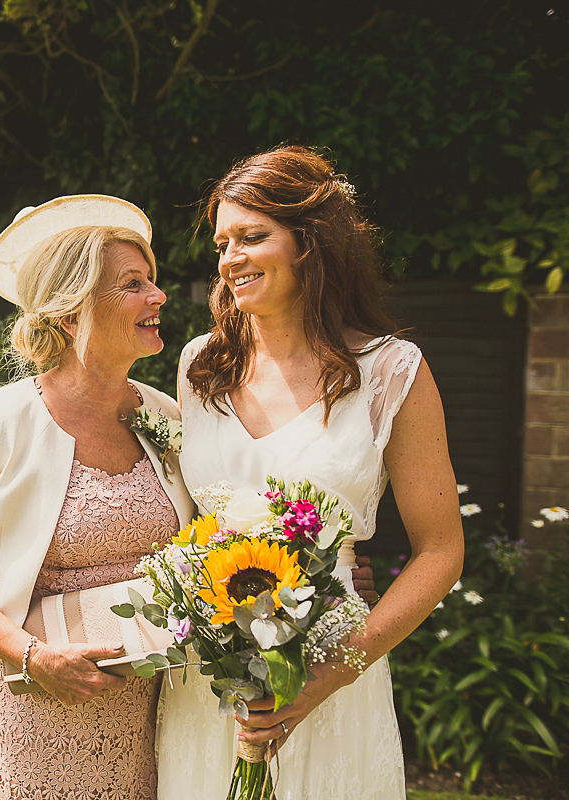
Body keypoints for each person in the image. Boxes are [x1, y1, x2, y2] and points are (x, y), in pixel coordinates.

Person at [155, 145, 464, 799]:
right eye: (221, 243)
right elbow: (182, 527)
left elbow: (441, 551)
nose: (230, 258)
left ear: (310, 241)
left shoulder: (392, 372)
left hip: (331, 666)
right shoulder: (198, 367)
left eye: (251, 236)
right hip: (209, 678)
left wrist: (327, 675)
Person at [0, 195, 195, 799]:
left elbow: (206, 550)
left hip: (162, 715)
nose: (159, 296)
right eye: (133, 284)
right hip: (43, 717)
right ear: (71, 314)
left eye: (154, 280)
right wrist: (34, 656)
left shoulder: (167, 415)